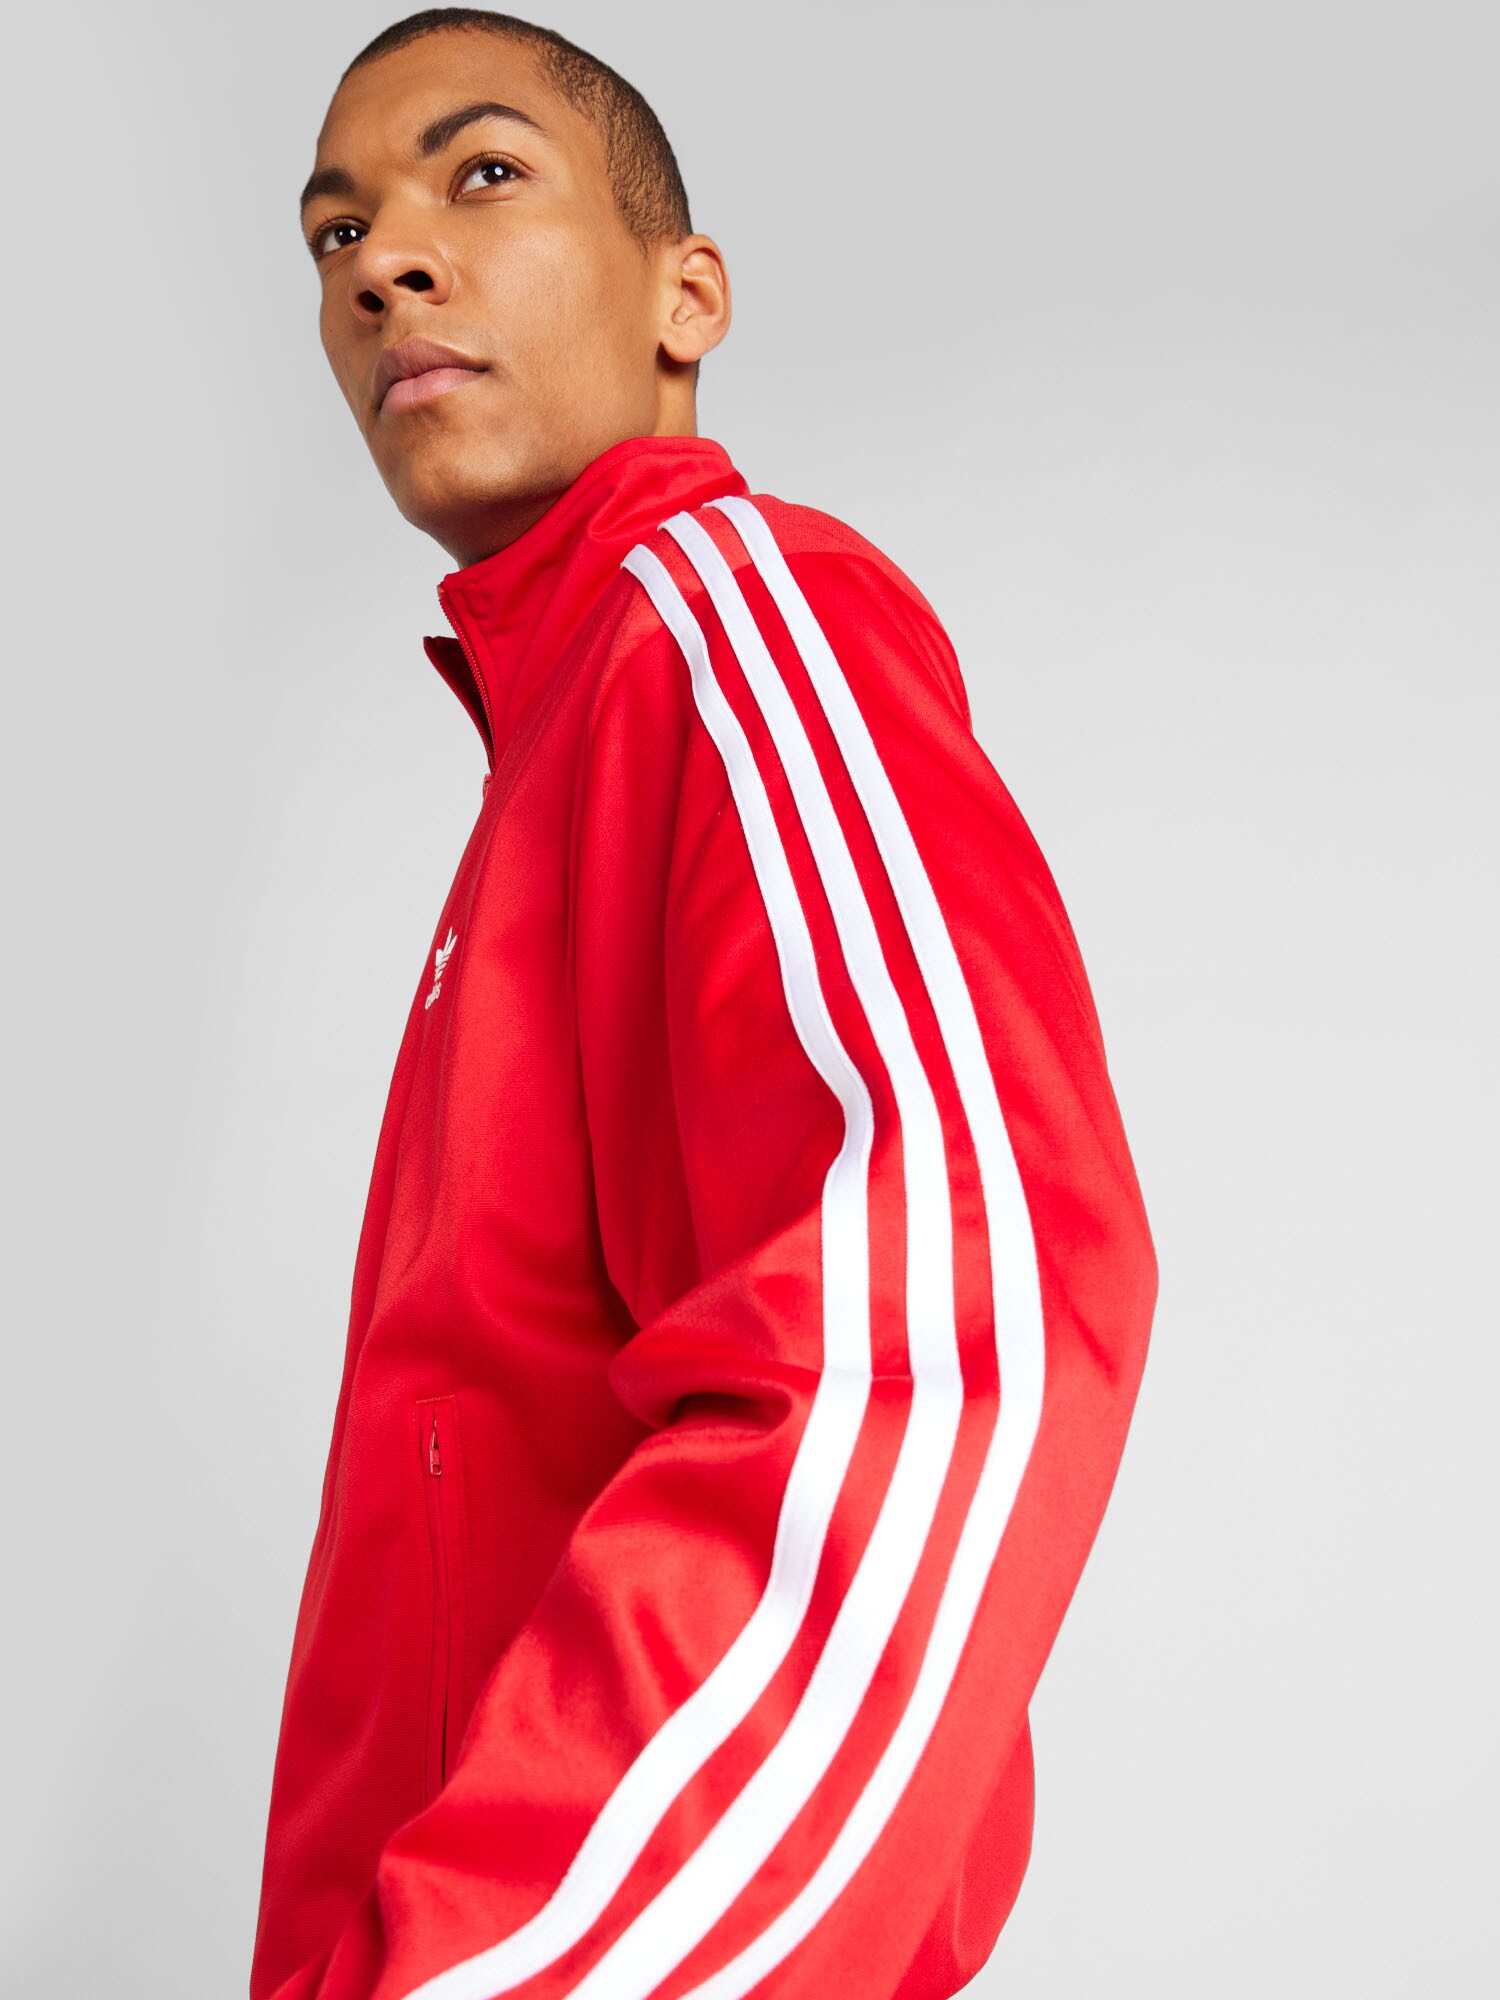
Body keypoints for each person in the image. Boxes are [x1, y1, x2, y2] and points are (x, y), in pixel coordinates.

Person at [249, 10, 1160, 1999]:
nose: (384, 265)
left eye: (482, 176)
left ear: (689, 297)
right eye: (336, 234)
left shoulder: (728, 616)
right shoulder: (554, 760)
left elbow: (950, 1329)